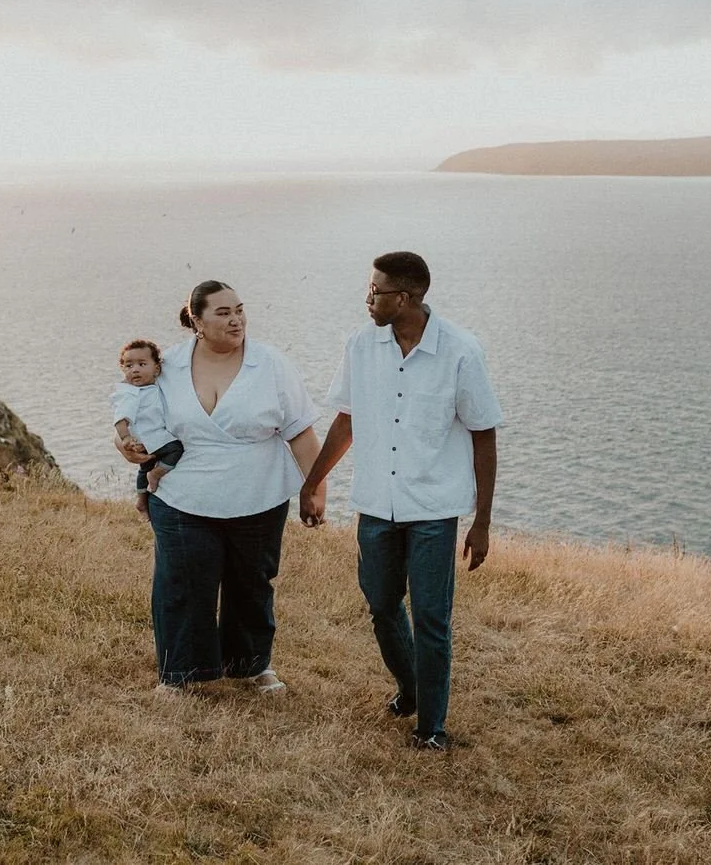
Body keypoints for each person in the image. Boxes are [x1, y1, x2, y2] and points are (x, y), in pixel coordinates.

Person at [298, 252, 501, 750]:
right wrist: (314, 482)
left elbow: (483, 435)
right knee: (382, 605)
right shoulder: (360, 346)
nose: (367, 299)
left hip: (433, 510)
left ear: (404, 298)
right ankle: (410, 689)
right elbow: (346, 421)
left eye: (375, 291)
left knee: (432, 619)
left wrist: (482, 522)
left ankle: (431, 728)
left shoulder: (460, 350)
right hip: (376, 506)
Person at [116, 280, 325, 695]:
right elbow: (131, 413)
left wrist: (315, 489)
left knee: (251, 582)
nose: (236, 320)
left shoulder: (271, 364)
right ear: (196, 321)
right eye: (223, 313)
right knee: (181, 583)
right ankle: (179, 676)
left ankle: (250, 667)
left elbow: (301, 433)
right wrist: (124, 446)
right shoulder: (166, 366)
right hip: (181, 495)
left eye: (240, 310)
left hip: (258, 495)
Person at [111, 339, 186, 516]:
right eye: (129, 366)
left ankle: (141, 501)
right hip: (153, 438)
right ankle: (157, 474)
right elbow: (120, 418)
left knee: (144, 468)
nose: (135, 369)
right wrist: (125, 439)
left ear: (157, 369)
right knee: (176, 450)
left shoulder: (152, 387)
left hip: (150, 439)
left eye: (142, 364)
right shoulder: (130, 394)